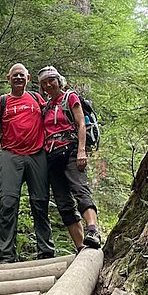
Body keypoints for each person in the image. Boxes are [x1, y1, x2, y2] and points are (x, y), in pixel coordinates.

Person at [0, 63, 55, 263]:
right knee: (7, 203)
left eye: (21, 75)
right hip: (10, 155)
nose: (18, 78)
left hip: (37, 155)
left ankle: (46, 251)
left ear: (28, 78)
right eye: (14, 75)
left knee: (40, 202)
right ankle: (6, 254)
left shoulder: (36, 98)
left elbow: (52, 117)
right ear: (8, 78)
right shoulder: (1, 102)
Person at [37, 65, 102, 252]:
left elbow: (81, 123)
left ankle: (93, 231)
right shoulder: (47, 106)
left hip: (72, 151)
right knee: (63, 201)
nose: (48, 84)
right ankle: (81, 246)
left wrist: (82, 150)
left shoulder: (70, 97)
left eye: (51, 80)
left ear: (59, 81)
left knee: (80, 190)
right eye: (44, 83)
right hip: (52, 157)